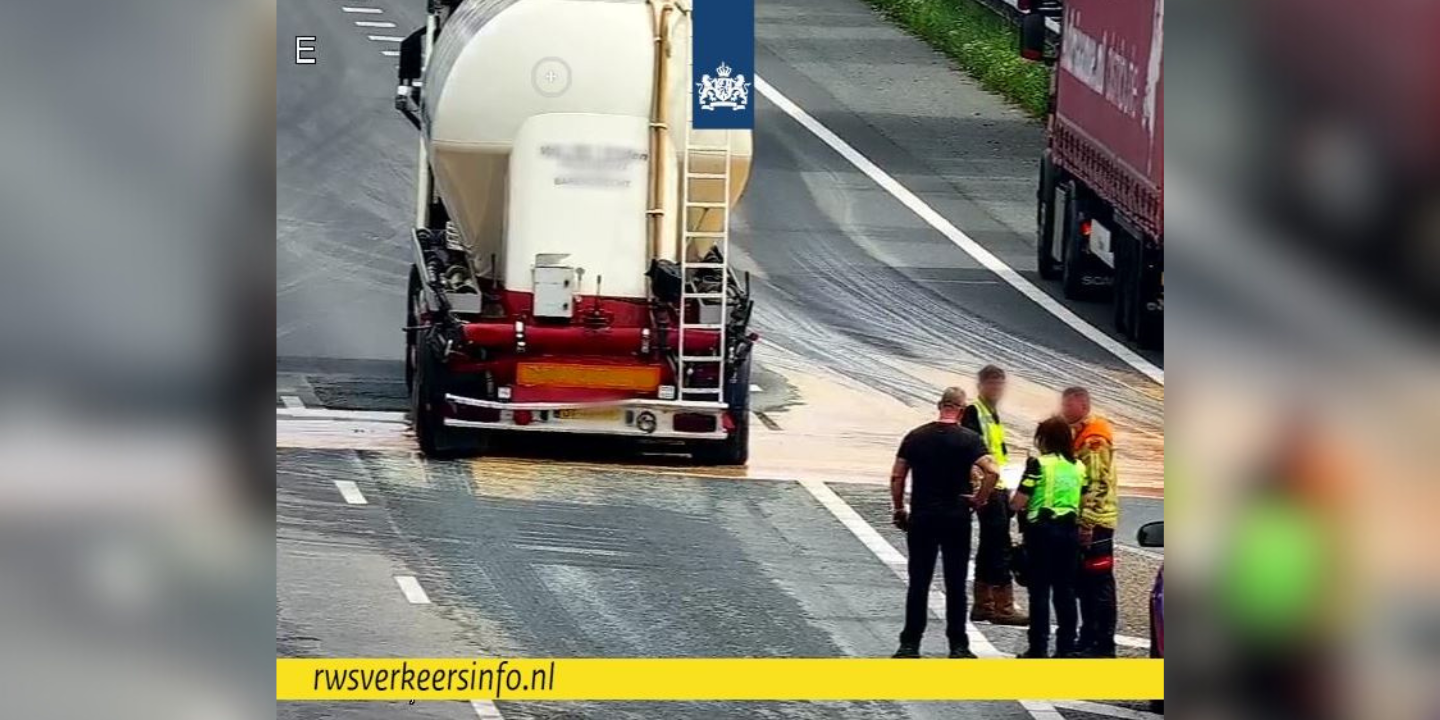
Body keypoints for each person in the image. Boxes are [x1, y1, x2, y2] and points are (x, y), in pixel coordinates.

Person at [890, 387, 1004, 659]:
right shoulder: (969, 439)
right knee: (955, 582)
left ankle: (910, 643)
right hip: (956, 518)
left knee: (919, 581)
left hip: (923, 516)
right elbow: (992, 471)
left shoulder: (915, 437)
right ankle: (958, 645)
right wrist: (979, 499)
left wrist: (899, 508)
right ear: (962, 411)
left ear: (939, 405)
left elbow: (897, 476)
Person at [1009, 416, 1087, 658]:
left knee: (1040, 591)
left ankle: (1038, 647)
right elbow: (1082, 502)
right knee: (1065, 591)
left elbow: (1018, 502)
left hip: (1041, 532)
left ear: (1044, 439)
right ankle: (1065, 647)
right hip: (1069, 532)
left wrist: (1012, 506)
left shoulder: (1038, 465)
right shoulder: (1079, 467)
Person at [960, 365, 1028, 626]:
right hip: (988, 488)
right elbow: (973, 455)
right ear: (981, 386)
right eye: (993, 384)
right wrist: (982, 490)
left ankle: (983, 604)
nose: (998, 389)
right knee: (999, 545)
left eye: (1000, 384)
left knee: (990, 546)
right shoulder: (975, 411)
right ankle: (1003, 607)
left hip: (997, 485)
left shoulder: (990, 412)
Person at [1060, 386, 1119, 657]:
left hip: (1096, 523)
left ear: (1083, 405)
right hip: (1091, 521)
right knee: (1084, 582)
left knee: (1098, 583)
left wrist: (1087, 523)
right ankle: (1089, 636)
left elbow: (1097, 484)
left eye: (1068, 406)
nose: (1064, 411)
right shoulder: (1081, 433)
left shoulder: (1093, 440)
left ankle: (1102, 642)